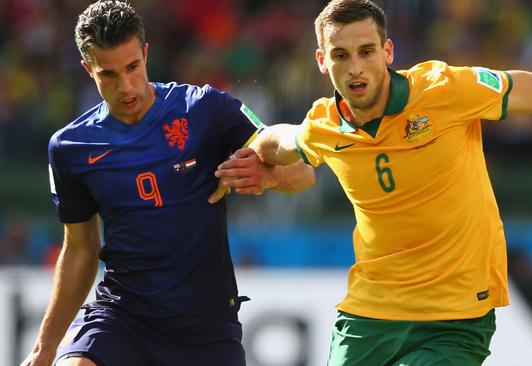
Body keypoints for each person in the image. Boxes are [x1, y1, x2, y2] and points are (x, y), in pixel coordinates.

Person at [217, 0, 532, 365]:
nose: (355, 68)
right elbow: (283, 143)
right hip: (369, 314)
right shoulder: (323, 126)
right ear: (322, 61)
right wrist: (258, 163)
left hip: (454, 318)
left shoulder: (444, 90)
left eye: (366, 51)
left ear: (388, 51)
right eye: (341, 55)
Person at [21, 1, 314, 366]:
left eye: (132, 67)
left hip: (206, 329)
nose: (126, 86)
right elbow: (80, 249)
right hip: (123, 318)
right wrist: (44, 348)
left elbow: (304, 172)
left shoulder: (204, 108)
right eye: (108, 75)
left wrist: (268, 175)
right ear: (87, 69)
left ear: (146, 53)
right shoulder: (70, 147)